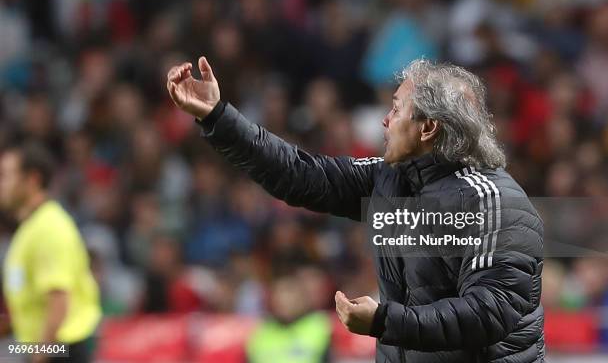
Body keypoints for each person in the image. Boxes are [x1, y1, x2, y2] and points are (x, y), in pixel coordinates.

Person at [167, 57, 544, 362]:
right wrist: (218, 116)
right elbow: (299, 174)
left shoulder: (493, 201)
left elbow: (490, 312)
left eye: (396, 110)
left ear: (427, 128)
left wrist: (385, 320)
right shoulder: (390, 179)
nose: (385, 120)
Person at [0, 143, 102, 363]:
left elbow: (58, 302)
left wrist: (38, 356)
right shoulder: (31, 227)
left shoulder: (49, 229)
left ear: (32, 180)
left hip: (61, 350)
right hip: (39, 346)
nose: (2, 184)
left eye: (6, 176)